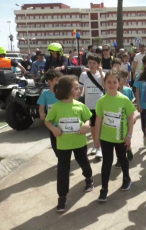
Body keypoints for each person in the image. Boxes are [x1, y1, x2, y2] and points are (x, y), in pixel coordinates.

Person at [44, 75, 94, 212]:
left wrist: (86, 126)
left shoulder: (80, 106)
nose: (79, 91)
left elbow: (88, 119)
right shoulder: (56, 107)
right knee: (63, 171)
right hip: (63, 144)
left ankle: (89, 177)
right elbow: (47, 121)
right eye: (76, 88)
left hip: (79, 142)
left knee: (84, 162)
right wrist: (54, 129)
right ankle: (62, 196)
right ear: (67, 90)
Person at [94, 69, 136, 202]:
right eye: (109, 82)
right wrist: (96, 138)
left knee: (122, 159)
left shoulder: (124, 100)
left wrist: (129, 135)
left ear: (119, 83)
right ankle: (104, 189)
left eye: (114, 82)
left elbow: (131, 117)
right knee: (106, 162)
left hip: (121, 137)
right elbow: (98, 120)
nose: (111, 84)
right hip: (106, 138)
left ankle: (126, 178)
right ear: (104, 83)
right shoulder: (101, 101)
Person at [79, 55, 105, 159]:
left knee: (100, 127)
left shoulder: (102, 74)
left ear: (98, 64)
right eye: (90, 63)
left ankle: (100, 148)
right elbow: (80, 89)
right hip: (88, 105)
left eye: (94, 63)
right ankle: (95, 145)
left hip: (100, 105)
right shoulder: (83, 75)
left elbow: (104, 86)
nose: (92, 65)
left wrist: (102, 74)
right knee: (93, 127)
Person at [37, 70, 63, 159]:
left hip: (63, 122)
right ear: (49, 81)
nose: (59, 82)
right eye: (57, 80)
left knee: (63, 142)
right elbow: (41, 107)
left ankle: (63, 158)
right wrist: (41, 113)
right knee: (54, 143)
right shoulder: (45, 94)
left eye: (60, 80)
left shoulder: (63, 93)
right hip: (52, 123)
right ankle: (59, 157)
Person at [134, 55, 146, 150]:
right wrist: (138, 104)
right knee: (144, 125)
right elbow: (137, 92)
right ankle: (145, 136)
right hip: (143, 106)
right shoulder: (139, 77)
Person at [117, 69, 135, 167]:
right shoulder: (112, 91)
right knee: (118, 139)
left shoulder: (128, 90)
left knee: (126, 137)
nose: (123, 80)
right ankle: (120, 158)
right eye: (121, 78)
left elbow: (131, 105)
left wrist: (133, 116)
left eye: (125, 78)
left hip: (127, 118)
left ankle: (128, 149)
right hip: (116, 119)